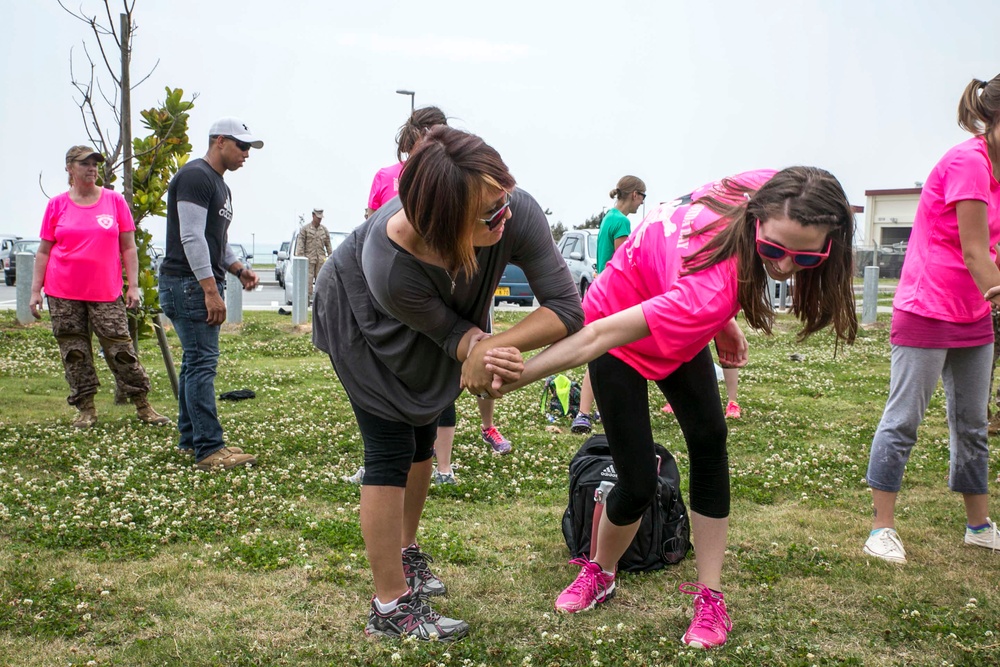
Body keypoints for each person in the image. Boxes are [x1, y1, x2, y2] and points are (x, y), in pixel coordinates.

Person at [489, 166, 858, 649]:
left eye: (806, 256)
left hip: (677, 318)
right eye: (773, 250)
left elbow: (696, 272)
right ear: (756, 218)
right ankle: (601, 570)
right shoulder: (710, 289)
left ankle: (711, 595)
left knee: (709, 442)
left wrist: (725, 321)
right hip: (616, 324)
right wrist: (513, 377)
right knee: (637, 480)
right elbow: (596, 336)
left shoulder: (781, 192)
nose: (786, 267)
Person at [313, 125, 583, 640]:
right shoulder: (390, 264)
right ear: (444, 223)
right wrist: (478, 350)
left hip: (444, 322)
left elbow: (567, 309)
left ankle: (405, 551)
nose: (506, 215)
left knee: (423, 434)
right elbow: (454, 337)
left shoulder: (510, 207)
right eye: (490, 213)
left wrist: (491, 350)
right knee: (390, 445)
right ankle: (390, 606)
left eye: (504, 199)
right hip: (361, 316)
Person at [863, 75, 1000, 564]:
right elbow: (973, 250)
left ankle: (979, 526)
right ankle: (881, 529)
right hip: (927, 306)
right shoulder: (969, 162)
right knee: (904, 419)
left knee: (972, 424)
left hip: (974, 311)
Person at [359, 107, 514, 489]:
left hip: (450, 301)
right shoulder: (389, 181)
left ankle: (445, 464)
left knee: (437, 403)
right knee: (392, 441)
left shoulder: (467, 182)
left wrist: (482, 349)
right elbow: (374, 231)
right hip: (400, 298)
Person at [28, 145, 171, 429]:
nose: (92, 169)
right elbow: (44, 251)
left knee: (121, 349)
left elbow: (128, 247)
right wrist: (35, 291)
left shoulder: (114, 201)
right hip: (62, 291)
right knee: (75, 352)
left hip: (105, 292)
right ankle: (86, 409)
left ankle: (143, 405)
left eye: (95, 164)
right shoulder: (56, 205)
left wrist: (133, 286)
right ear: (70, 168)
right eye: (85, 164)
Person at [158, 117, 262, 471]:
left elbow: (216, 239)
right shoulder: (195, 176)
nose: (246, 153)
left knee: (193, 363)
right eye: (242, 145)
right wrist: (209, 289)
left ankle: (191, 439)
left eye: (249, 148)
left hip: (193, 282)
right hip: (188, 283)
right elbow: (191, 236)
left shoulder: (219, 184)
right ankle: (209, 449)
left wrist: (238, 269)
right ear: (220, 141)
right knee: (202, 363)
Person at [572, 176, 646, 434]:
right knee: (607, 353)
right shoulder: (622, 222)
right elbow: (624, 263)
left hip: (601, 291)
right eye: (643, 197)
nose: (642, 203)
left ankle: (589, 412)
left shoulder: (609, 217)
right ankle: (586, 412)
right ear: (635, 194)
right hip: (615, 294)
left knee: (602, 352)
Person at [298, 208, 332, 303]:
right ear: (313, 215)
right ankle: (306, 302)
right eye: (318, 217)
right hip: (309, 261)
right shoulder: (305, 229)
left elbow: (328, 245)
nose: (319, 220)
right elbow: (300, 245)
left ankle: (320, 303)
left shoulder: (324, 230)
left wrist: (331, 258)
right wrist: (301, 259)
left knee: (321, 283)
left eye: (321, 218)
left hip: (321, 261)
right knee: (307, 282)